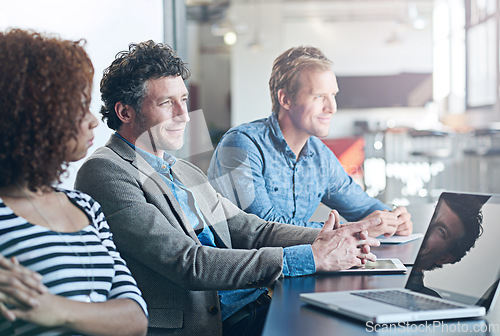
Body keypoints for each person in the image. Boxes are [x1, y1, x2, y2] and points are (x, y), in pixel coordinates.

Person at [75, 40, 383, 336]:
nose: (183, 115)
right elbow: (189, 263)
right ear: (125, 112)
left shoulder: (182, 169)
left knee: (362, 320)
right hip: (207, 325)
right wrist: (310, 257)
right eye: (166, 103)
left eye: (183, 100)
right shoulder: (106, 170)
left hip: (253, 305)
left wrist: (330, 238)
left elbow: (250, 229)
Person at [0, 29, 148, 336]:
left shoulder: (85, 206)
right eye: (80, 106)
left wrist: (58, 311)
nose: (93, 120)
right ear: (36, 115)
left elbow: (136, 318)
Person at [207, 46, 412, 237]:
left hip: (295, 268)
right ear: (285, 99)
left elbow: (364, 208)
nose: (332, 107)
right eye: (319, 97)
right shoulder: (241, 145)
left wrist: (393, 217)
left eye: (333, 95)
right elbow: (262, 229)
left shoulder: (320, 156)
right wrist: (354, 229)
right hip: (243, 273)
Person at [406, 193, 490, 297]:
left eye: (441, 231)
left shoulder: (429, 303)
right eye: (433, 216)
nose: (428, 226)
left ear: (444, 258)